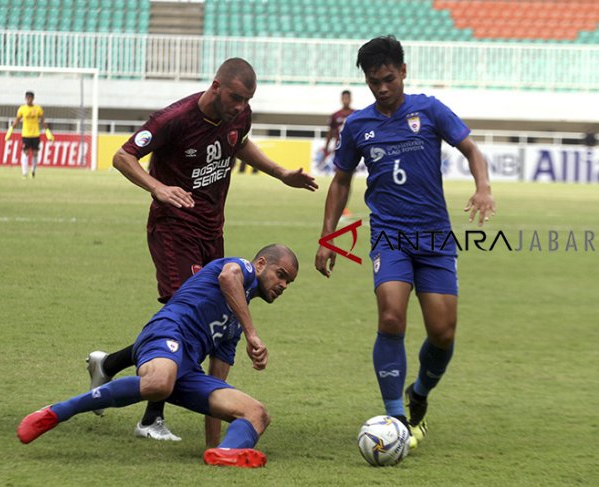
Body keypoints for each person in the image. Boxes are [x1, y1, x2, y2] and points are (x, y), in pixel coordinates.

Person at [92, 57, 318, 442]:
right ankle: (151, 417)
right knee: (185, 314)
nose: (240, 107)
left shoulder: (238, 117)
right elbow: (122, 156)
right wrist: (157, 187)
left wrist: (281, 174)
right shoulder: (174, 119)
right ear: (216, 86)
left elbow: (240, 145)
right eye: (235, 98)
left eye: (247, 100)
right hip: (173, 228)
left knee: (205, 315)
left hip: (212, 232)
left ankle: (109, 364)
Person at [314, 36, 495, 448]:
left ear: (403, 72)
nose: (381, 88)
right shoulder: (358, 124)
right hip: (390, 236)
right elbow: (340, 181)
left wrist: (483, 187)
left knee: (443, 333)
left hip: (434, 237)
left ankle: (420, 395)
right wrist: (329, 238)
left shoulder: (428, 110)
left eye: (388, 78)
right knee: (391, 318)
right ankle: (396, 419)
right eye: (373, 81)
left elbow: (471, 149)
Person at [18, 244, 299, 468]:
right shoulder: (242, 268)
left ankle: (226, 453)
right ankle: (56, 412)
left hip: (187, 372)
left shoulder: (234, 326)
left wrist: (211, 446)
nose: (283, 285)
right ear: (261, 264)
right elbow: (228, 277)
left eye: (289, 282)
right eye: (281, 274)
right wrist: (253, 333)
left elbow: (216, 385)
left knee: (257, 413)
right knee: (160, 382)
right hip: (166, 332)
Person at [322, 90, 357, 220]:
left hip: (354, 151)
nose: (346, 100)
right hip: (340, 150)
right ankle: (340, 209)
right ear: (341, 99)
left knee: (347, 180)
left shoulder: (356, 114)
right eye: (344, 98)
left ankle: (343, 208)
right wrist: (326, 148)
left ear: (350, 99)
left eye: (348, 98)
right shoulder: (335, 115)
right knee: (340, 179)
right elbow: (330, 132)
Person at [5, 91, 53, 178]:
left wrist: (48, 132)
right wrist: (10, 130)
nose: (28, 100)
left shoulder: (38, 109)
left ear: (33, 98)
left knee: (35, 153)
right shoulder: (22, 109)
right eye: (27, 98)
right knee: (25, 152)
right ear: (25, 98)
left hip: (35, 134)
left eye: (30, 98)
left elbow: (43, 121)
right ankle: (24, 172)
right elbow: (17, 120)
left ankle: (33, 171)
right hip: (26, 134)